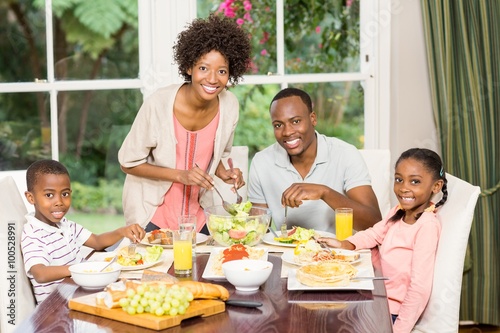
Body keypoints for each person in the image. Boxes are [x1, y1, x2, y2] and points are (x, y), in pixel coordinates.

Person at [118, 13, 252, 234]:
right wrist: (181, 175)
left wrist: (223, 172)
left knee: (211, 267)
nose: (212, 79)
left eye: (222, 71)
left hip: (199, 216)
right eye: (203, 68)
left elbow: (218, 152)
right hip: (153, 215)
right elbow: (127, 163)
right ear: (189, 67)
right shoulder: (159, 104)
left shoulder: (229, 105)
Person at [318, 148, 448, 332]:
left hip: (391, 311)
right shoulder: (398, 211)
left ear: (436, 186)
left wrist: (399, 329)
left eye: (415, 182)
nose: (404, 187)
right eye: (399, 179)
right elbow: (374, 233)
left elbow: (419, 288)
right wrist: (344, 244)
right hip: (374, 294)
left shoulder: (427, 226)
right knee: (324, 312)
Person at [247, 87, 382, 233]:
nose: (287, 132)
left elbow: (374, 223)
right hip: (285, 253)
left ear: (313, 119)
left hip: (338, 251)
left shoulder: (346, 154)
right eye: (278, 125)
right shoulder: (261, 162)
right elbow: (258, 229)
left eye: (296, 121)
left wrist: (325, 193)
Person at [21, 160, 145, 304]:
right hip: (58, 307)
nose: (59, 201)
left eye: (65, 194)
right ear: (31, 197)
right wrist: (80, 269)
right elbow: (40, 273)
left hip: (80, 293)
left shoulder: (66, 225)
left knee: (137, 287)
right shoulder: (33, 235)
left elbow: (97, 242)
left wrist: (122, 231)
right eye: (49, 195)